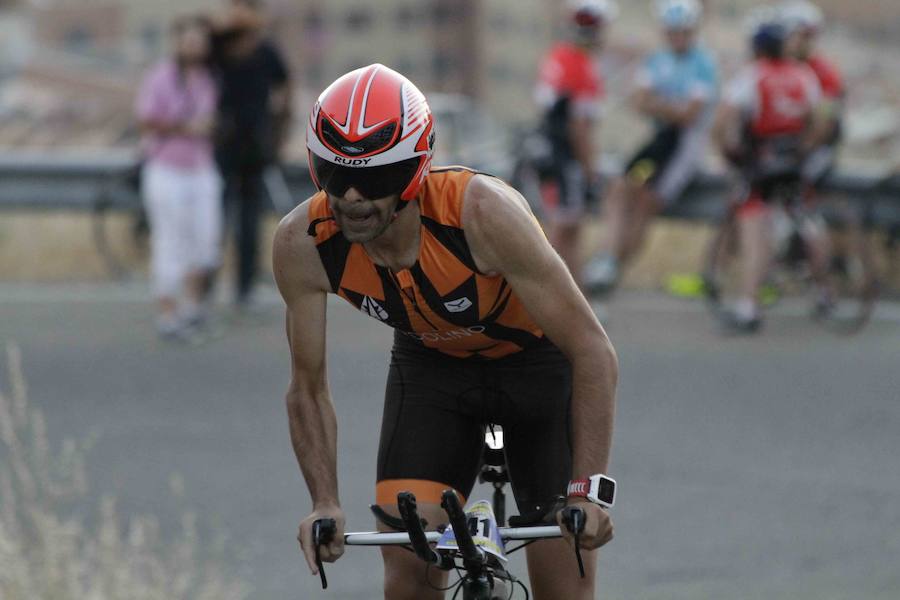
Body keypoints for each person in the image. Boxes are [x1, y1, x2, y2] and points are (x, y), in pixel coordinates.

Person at [274, 64, 618, 599]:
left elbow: (593, 351)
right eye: (335, 176)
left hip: (537, 367)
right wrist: (324, 502)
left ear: (414, 171)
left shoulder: (481, 212)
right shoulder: (303, 242)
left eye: (377, 178)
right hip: (431, 371)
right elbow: (307, 386)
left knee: (564, 579)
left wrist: (588, 493)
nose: (353, 198)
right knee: (407, 574)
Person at [585, 0, 718, 293]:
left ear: (692, 31)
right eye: (672, 32)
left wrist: (660, 105)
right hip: (660, 142)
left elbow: (689, 115)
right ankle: (605, 260)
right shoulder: (657, 59)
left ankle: (615, 270)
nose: (677, 37)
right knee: (621, 186)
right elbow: (640, 101)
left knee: (646, 202)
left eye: (682, 32)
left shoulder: (703, 63)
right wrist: (672, 107)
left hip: (685, 147)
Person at [712, 17, 827, 332]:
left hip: (759, 165)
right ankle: (824, 292)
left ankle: (748, 306)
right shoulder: (804, 76)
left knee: (754, 234)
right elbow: (820, 123)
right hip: (793, 162)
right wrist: (803, 149)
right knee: (808, 221)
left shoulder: (752, 76)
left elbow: (722, 123)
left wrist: (729, 153)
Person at [136, 15, 222, 341]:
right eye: (189, 40)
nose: (195, 46)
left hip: (201, 166)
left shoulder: (209, 77)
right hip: (166, 167)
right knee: (170, 240)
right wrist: (187, 128)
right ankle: (168, 313)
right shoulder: (161, 77)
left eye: (200, 41)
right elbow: (146, 119)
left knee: (205, 240)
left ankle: (192, 308)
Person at [531, 0, 616, 288]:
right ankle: (540, 297)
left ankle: (577, 299)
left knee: (570, 227)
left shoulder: (557, 55)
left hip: (548, 151)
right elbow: (580, 128)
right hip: (566, 157)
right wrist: (591, 170)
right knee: (564, 229)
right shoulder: (582, 67)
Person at [212, 0, 291, 311]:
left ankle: (243, 288)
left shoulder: (266, 50)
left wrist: (278, 133)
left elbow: (284, 88)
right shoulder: (217, 46)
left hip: (255, 146)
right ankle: (206, 286)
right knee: (214, 219)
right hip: (220, 144)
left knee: (249, 220)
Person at [780, 0, 845, 193]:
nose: (802, 41)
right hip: (784, 144)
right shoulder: (778, 67)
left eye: (808, 36)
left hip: (816, 147)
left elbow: (826, 122)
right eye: (798, 35)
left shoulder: (826, 72)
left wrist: (801, 152)